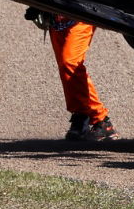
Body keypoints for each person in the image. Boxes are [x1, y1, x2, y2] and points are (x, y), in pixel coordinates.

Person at [26, 9, 117, 144]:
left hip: (81, 11)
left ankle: (101, 119)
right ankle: (82, 116)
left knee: (70, 63)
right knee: (66, 68)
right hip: (56, 16)